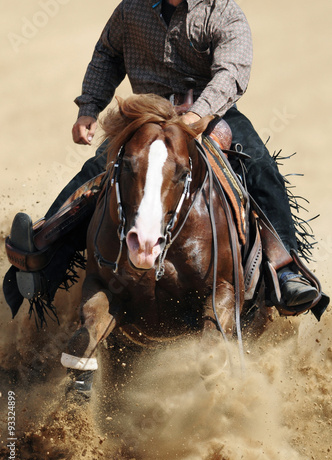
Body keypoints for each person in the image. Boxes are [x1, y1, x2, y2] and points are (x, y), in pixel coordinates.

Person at [5, 0, 323, 318]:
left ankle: (284, 270)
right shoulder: (131, 9)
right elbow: (107, 54)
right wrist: (89, 107)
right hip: (147, 117)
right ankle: (42, 260)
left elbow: (231, 72)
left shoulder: (223, 13)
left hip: (209, 113)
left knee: (260, 168)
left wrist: (199, 112)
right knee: (94, 172)